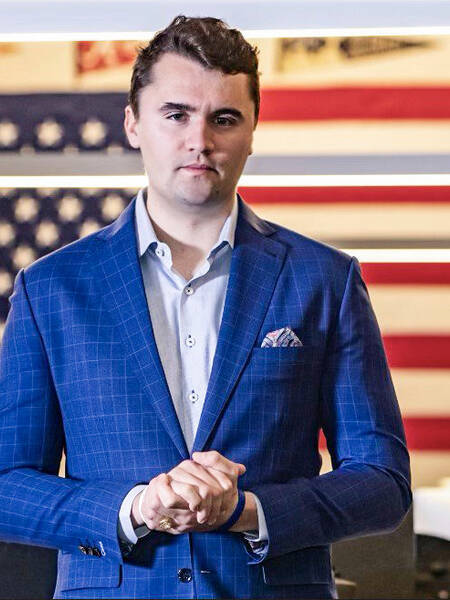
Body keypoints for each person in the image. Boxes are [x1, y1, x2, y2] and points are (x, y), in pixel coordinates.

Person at [0, 15, 411, 600]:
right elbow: (7, 486)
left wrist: (248, 510)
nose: (200, 140)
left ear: (252, 129)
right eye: (176, 114)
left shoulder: (325, 280)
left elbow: (383, 483)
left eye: (224, 118)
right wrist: (135, 507)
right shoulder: (51, 289)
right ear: (133, 123)